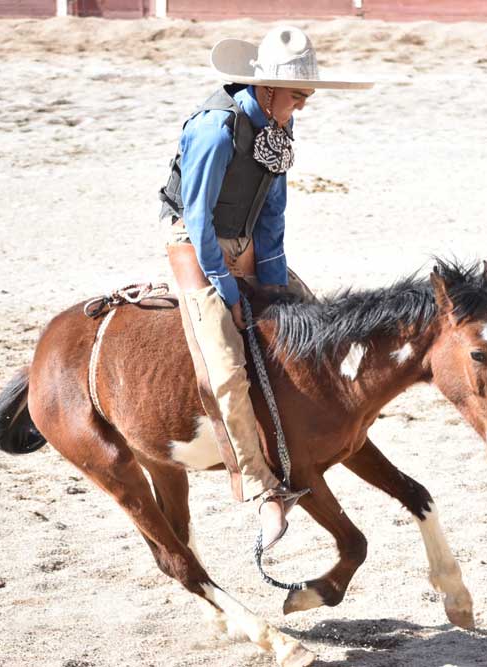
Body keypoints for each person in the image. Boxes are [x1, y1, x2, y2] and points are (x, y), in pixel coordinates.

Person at [158, 26, 372, 550]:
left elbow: (272, 216)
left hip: (247, 237)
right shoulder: (214, 129)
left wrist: (277, 294)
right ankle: (261, 490)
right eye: (298, 94)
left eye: (307, 96)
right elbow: (198, 217)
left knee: (315, 326)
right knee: (226, 369)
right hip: (193, 236)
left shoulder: (279, 124)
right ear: (267, 87)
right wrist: (229, 296)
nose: (304, 104)